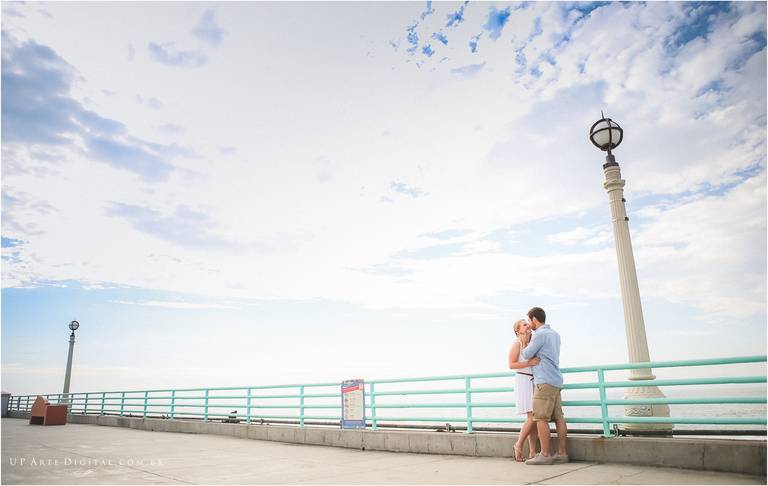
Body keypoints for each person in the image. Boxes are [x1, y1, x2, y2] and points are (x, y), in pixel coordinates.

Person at [521, 307, 569, 465]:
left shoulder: (539, 335)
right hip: (556, 380)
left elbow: (526, 354)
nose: (529, 324)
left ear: (534, 319)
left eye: (529, 321)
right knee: (559, 417)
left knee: (541, 418)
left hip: (544, 381)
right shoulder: (555, 334)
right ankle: (562, 453)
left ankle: (545, 454)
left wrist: (524, 340)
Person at [508, 319, 541, 461]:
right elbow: (511, 365)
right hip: (523, 380)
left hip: (533, 380)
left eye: (528, 323)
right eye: (524, 324)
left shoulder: (532, 342)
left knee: (534, 418)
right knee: (532, 416)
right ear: (518, 330)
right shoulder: (517, 344)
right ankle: (518, 444)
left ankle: (532, 452)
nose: (528, 325)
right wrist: (529, 362)